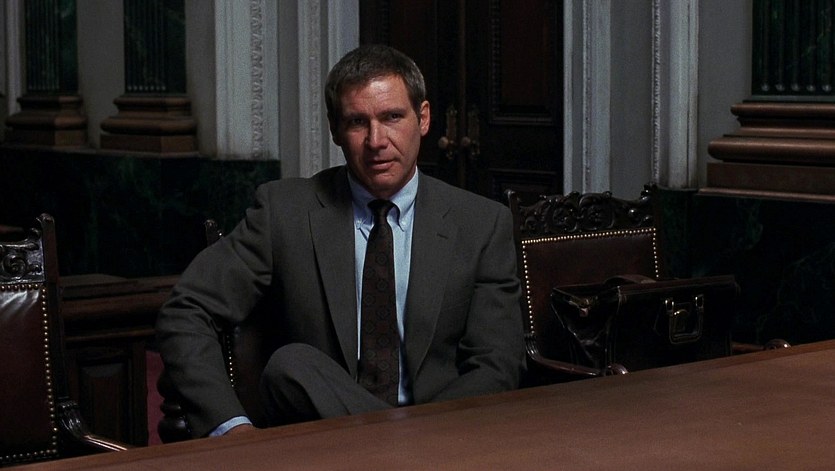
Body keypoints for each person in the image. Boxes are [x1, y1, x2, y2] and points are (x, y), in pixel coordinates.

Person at [155, 44, 524, 438]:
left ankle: (404, 448)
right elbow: (186, 308)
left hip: (442, 436)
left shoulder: (481, 224)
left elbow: (496, 363)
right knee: (292, 367)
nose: (376, 140)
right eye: (357, 122)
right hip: (327, 437)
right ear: (335, 130)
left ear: (423, 118)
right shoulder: (285, 213)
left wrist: (431, 436)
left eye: (392, 117)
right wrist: (231, 427)